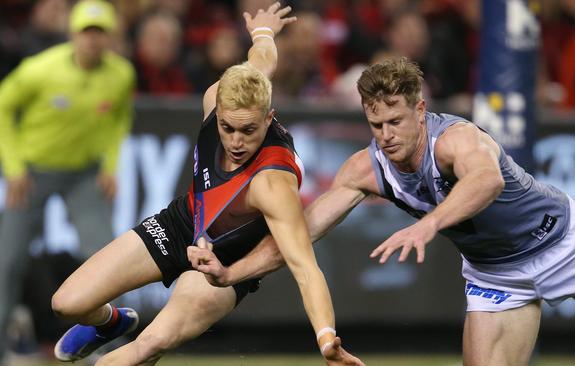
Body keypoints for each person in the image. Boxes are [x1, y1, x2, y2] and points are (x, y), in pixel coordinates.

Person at [190, 57, 575, 366]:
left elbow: (485, 181)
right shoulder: (365, 169)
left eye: (396, 122)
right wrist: (234, 272)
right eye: (375, 124)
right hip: (496, 274)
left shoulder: (455, 140)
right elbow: (301, 233)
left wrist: (429, 223)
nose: (385, 135)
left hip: (560, 239)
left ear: (421, 111)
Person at [51, 3, 363, 366]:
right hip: (181, 223)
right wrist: (264, 31)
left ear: (269, 116)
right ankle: (111, 322)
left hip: (225, 264)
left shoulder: (274, 184)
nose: (235, 141)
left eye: (249, 130)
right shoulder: (221, 96)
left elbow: (305, 269)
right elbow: (262, 57)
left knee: (148, 346)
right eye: (227, 128)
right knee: (66, 304)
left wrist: (327, 340)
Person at [0, 0, 134, 363]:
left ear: (110, 37)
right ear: (73, 34)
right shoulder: (38, 70)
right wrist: (13, 169)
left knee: (107, 258)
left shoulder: (121, 74)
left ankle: (106, 348)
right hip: (32, 173)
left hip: (83, 175)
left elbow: (119, 119)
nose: (93, 40)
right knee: (7, 261)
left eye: (100, 32)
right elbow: (2, 106)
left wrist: (110, 165)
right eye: (87, 32)